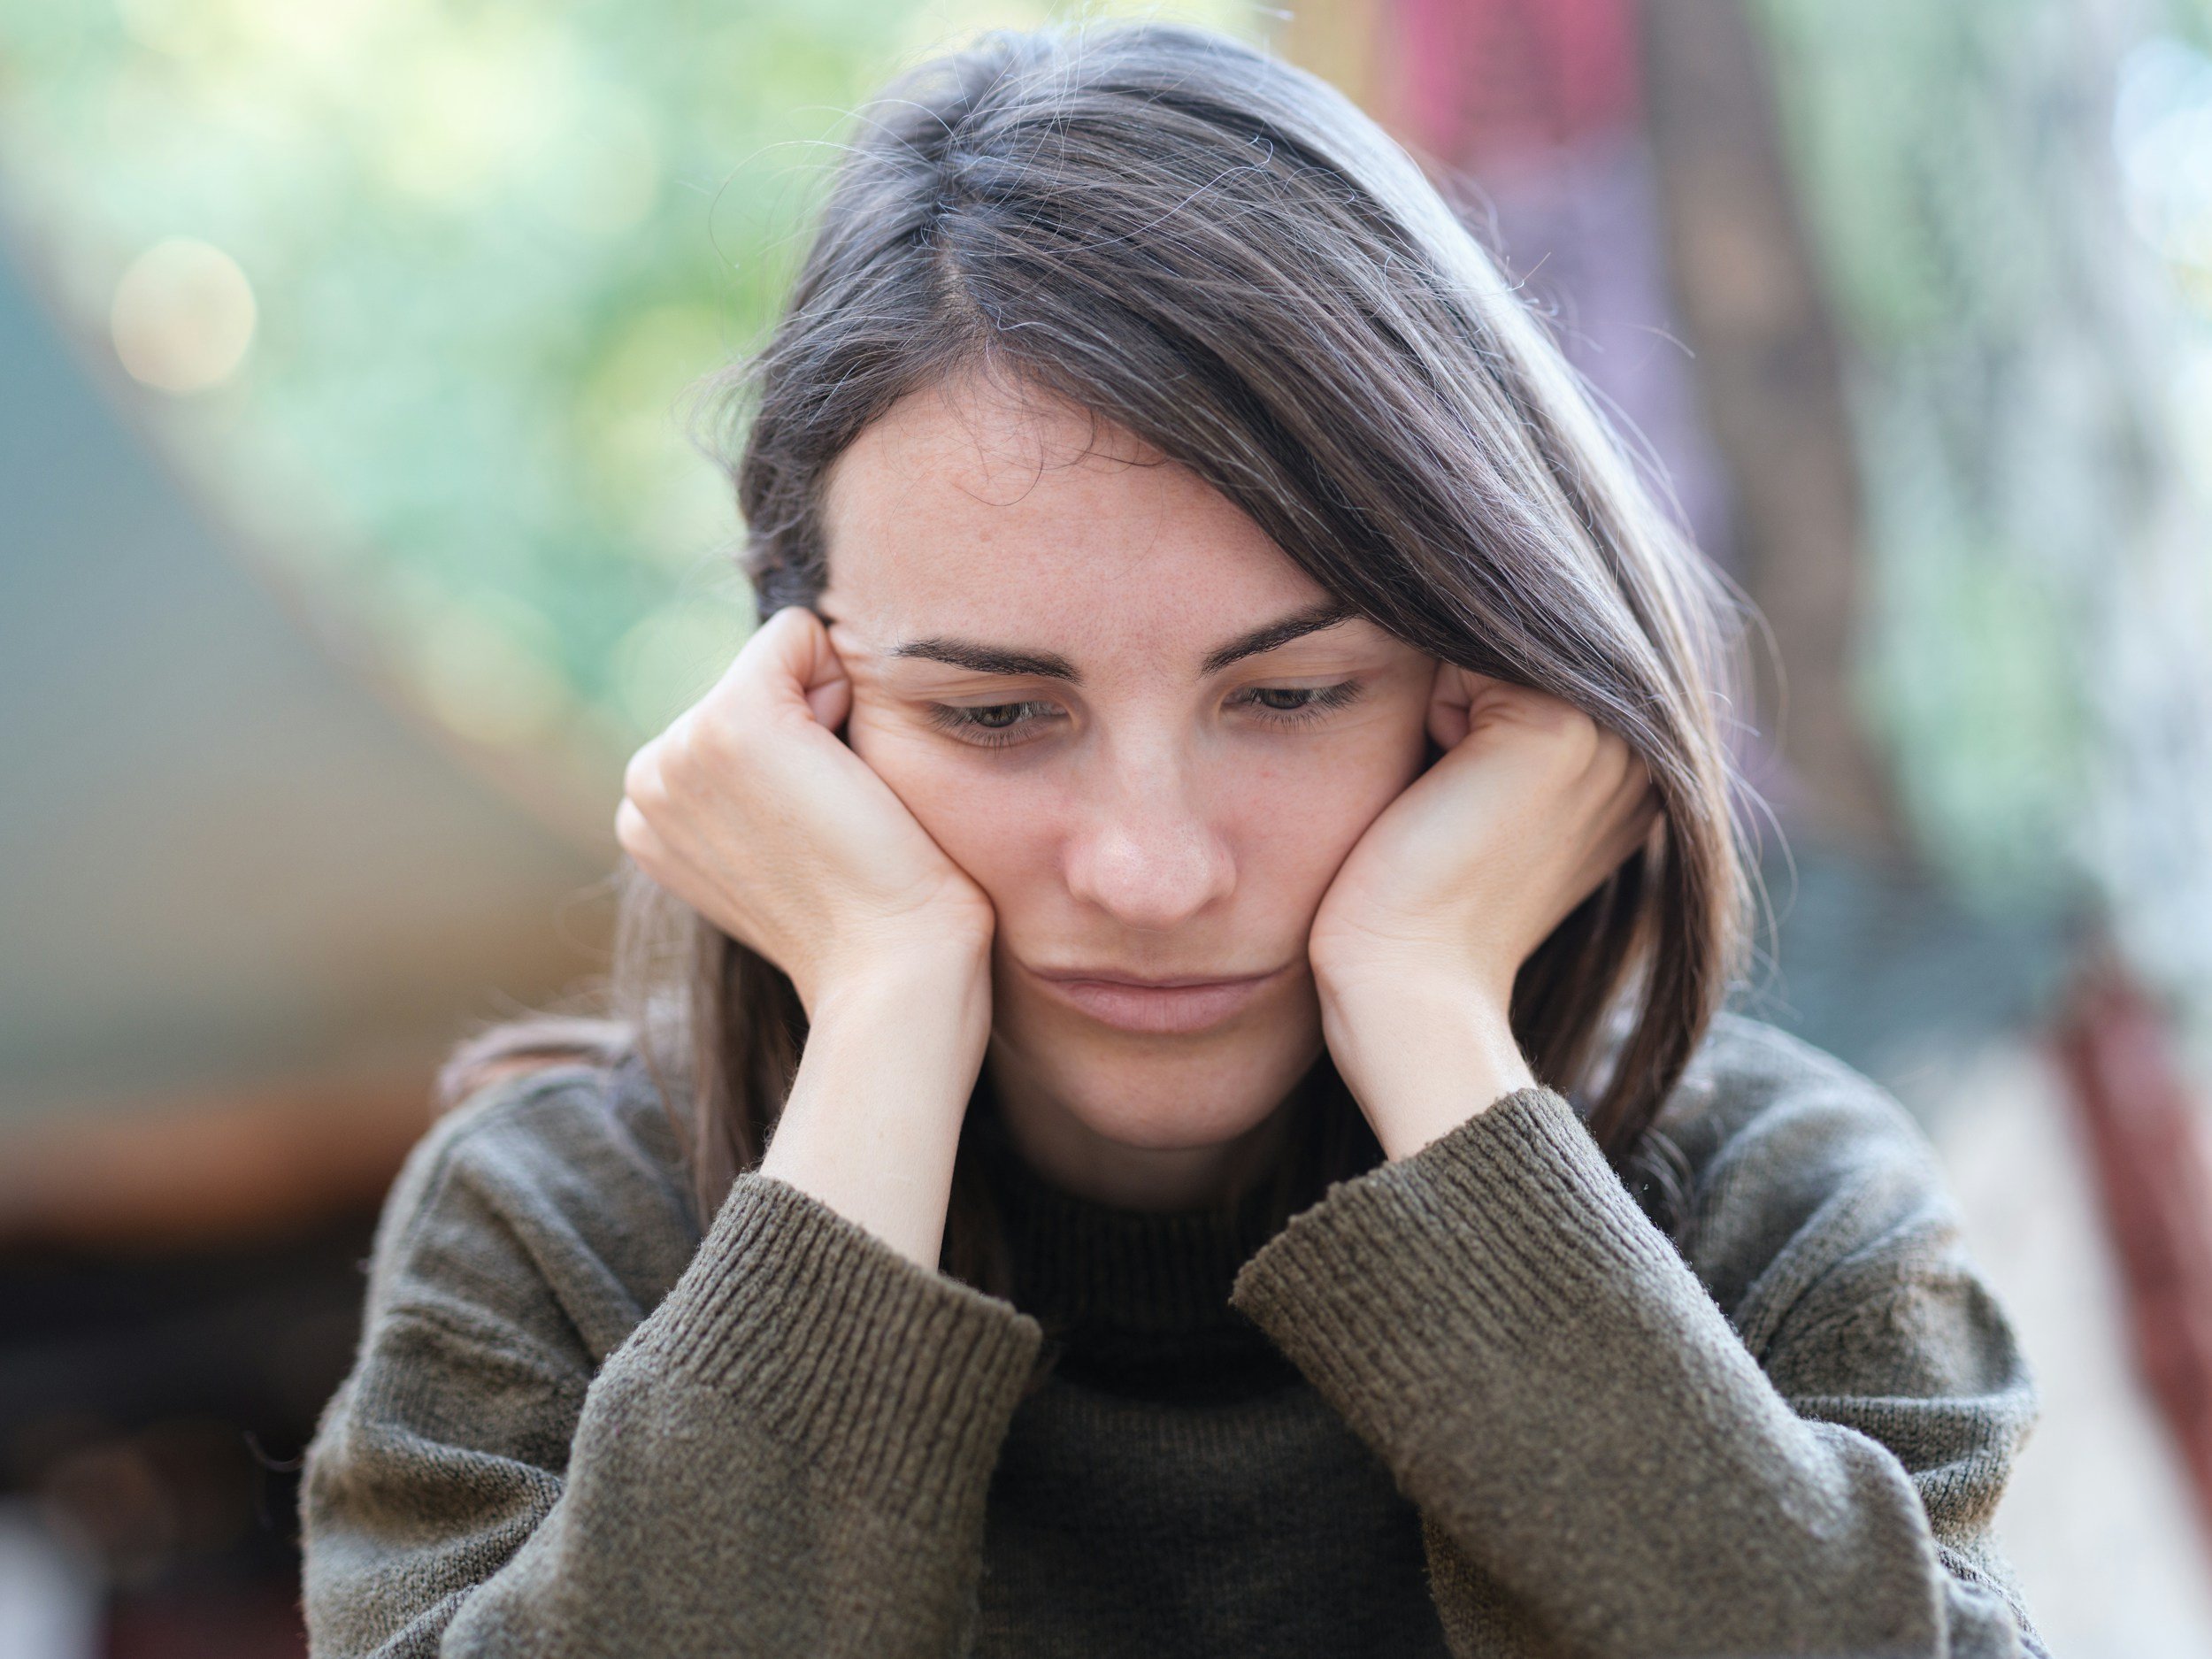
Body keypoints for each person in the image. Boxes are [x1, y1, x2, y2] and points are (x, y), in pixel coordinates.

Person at [296, 20, 2047, 1657]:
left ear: (1480, 685)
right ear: (799, 705)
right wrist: (887, 1019)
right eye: (993, 713)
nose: (1149, 869)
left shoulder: (1772, 1213)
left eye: (1286, 696)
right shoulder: (559, 1235)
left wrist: (1426, 1014)